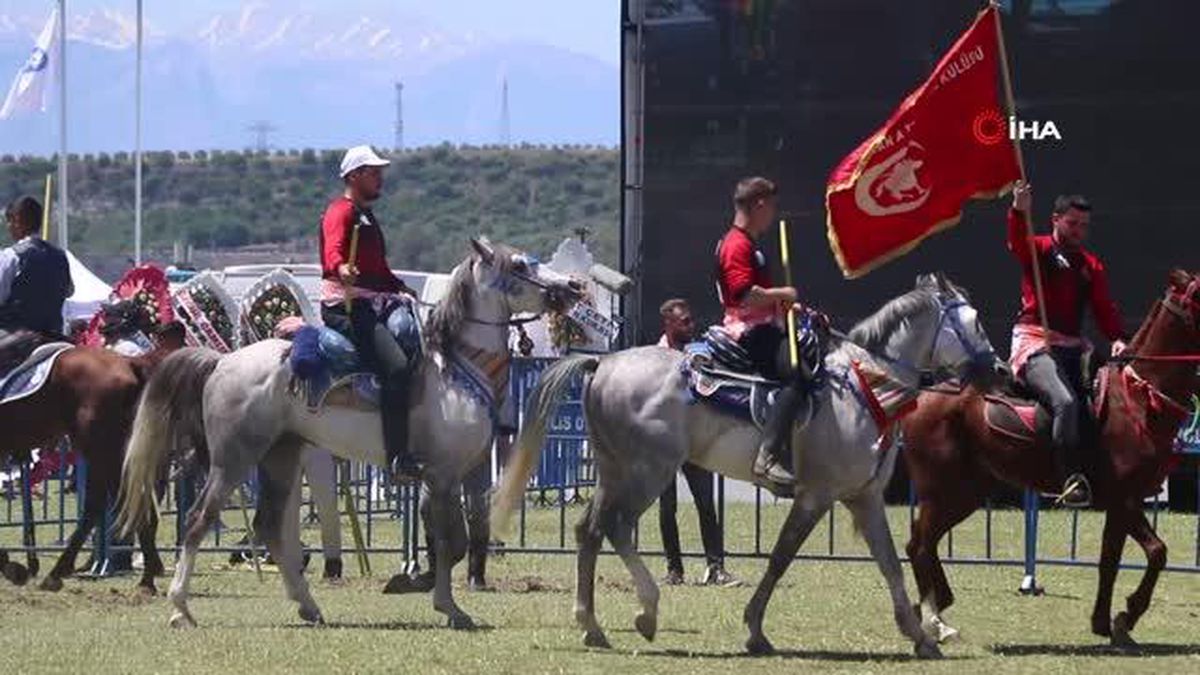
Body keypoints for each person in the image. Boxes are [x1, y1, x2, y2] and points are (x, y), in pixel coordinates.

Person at [1007, 181, 1126, 507]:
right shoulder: (1039, 249)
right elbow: (1017, 242)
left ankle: (1108, 473)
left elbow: (1104, 310)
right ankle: (1068, 479)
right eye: (1072, 224)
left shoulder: (1091, 265)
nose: (1079, 231)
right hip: (1035, 343)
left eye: (1084, 226)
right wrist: (1019, 210)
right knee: (1066, 402)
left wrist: (1116, 339)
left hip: (1075, 347)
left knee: (1106, 402)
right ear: (1055, 220)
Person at [319, 145, 421, 480]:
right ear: (353, 176)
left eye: (379, 172)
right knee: (396, 367)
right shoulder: (341, 211)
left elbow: (377, 268)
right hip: (347, 307)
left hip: (372, 301)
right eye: (373, 172)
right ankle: (397, 457)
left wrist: (398, 285)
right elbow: (334, 249)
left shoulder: (367, 216)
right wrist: (340, 267)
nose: (380, 178)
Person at [714, 177, 824, 487]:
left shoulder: (747, 243)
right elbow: (744, 294)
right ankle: (769, 455)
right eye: (772, 206)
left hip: (764, 323)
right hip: (750, 333)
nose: (773, 214)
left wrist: (788, 307)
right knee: (797, 376)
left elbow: (760, 299)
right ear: (759, 204)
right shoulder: (736, 244)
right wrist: (782, 294)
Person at [656, 298, 739, 587]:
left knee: (706, 504)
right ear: (668, 323)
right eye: (685, 322)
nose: (692, 326)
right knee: (667, 508)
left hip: (695, 442)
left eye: (691, 320)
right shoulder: (654, 358)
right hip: (666, 443)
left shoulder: (700, 352)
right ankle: (674, 570)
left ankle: (716, 568)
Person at [0, 196, 73, 337]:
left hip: (14, 334)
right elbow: (69, 291)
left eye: (9, 221)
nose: (8, 227)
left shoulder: (11, 256)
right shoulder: (60, 256)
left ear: (17, 220)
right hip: (53, 333)